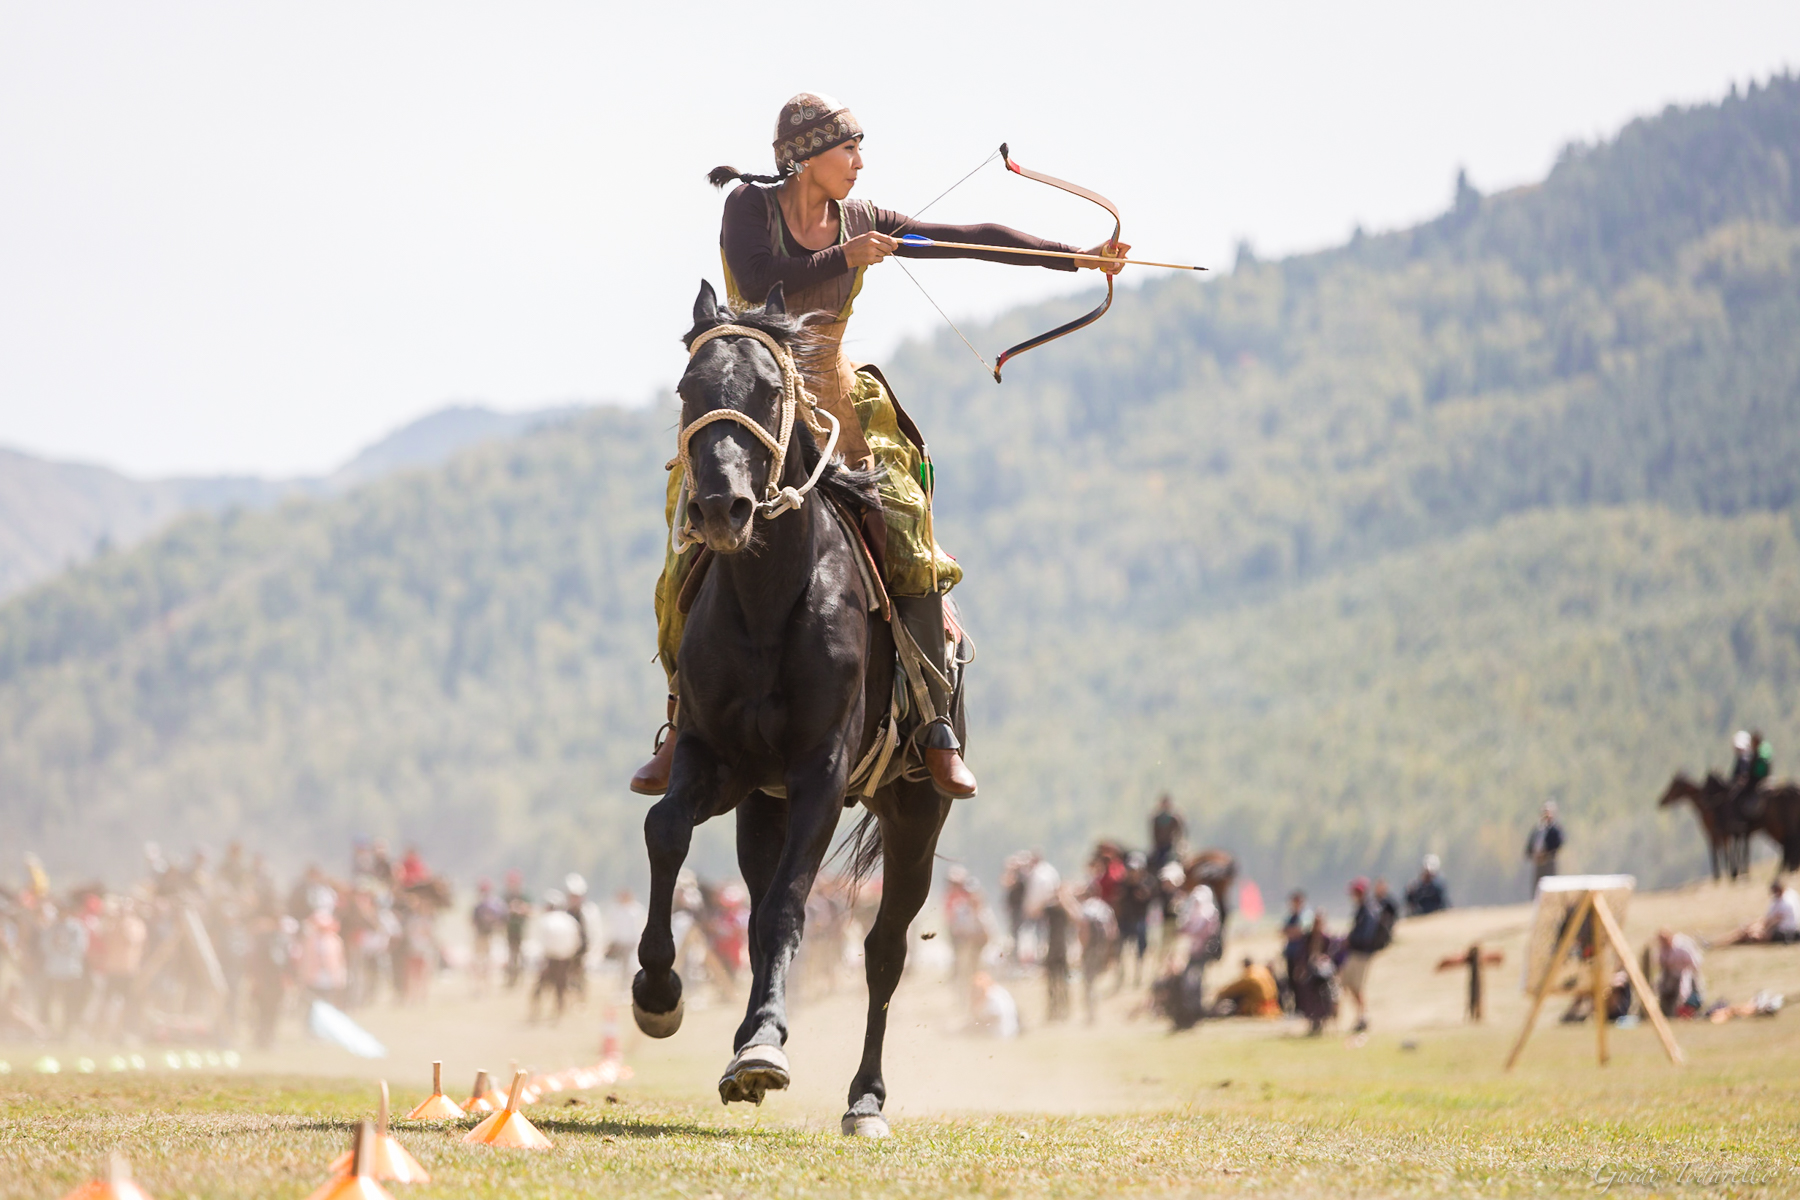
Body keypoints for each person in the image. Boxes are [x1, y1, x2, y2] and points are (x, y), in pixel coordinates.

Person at [630, 91, 1125, 800]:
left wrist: (1079, 258)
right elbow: (763, 278)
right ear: (804, 159)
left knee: (906, 524)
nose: (860, 163)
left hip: (833, 400)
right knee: (690, 538)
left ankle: (933, 725)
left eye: (859, 150)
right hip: (752, 407)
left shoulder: (863, 221)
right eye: (848, 149)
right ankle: (682, 725)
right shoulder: (748, 207)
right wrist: (843, 253)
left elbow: (968, 236)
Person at [1342, 877, 1395, 1034]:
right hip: (1356, 953)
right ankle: (1361, 1016)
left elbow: (1365, 935)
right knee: (1350, 984)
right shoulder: (1363, 908)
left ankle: (1363, 1017)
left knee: (1356, 986)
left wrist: (1351, 939)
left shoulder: (1368, 909)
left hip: (1362, 954)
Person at [530, 891, 582, 1024]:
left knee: (540, 985)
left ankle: (536, 1010)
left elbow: (540, 942)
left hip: (549, 958)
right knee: (560, 986)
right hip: (564, 959)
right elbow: (577, 941)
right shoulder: (569, 920)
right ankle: (559, 1011)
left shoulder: (546, 919)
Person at [1716, 880, 1800, 945]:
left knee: (1748, 934)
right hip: (1777, 928)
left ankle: (1721, 943)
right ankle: (1720, 941)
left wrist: (1759, 929)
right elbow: (1769, 918)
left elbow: (1773, 921)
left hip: (1783, 932)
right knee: (1746, 929)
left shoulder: (1786, 903)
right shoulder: (1788, 895)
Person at [1654, 928, 1704, 1017]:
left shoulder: (1682, 946)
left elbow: (1694, 961)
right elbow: (1661, 963)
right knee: (1665, 991)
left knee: (1689, 993)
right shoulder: (1663, 949)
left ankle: (1691, 1011)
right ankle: (1668, 1012)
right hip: (1671, 973)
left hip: (1686, 971)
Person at [1210, 956, 1282, 1018]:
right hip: (1275, 1007)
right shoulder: (1262, 970)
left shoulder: (1251, 976)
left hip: (1261, 1010)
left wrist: (1219, 992)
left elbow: (1233, 988)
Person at [469, 879, 505, 995]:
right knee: (481, 963)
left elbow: (501, 921)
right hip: (481, 936)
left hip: (487, 937)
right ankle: (480, 987)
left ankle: (484, 987)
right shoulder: (483, 905)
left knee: (485, 964)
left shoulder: (489, 905)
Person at [1524, 802, 1564, 893]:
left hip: (1549, 860)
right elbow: (1530, 845)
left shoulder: (1554, 829)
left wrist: (1546, 853)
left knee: (1550, 884)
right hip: (1538, 861)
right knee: (1538, 886)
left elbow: (1558, 843)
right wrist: (1533, 855)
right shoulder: (1538, 829)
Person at [968, 971, 1020, 1039]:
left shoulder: (992, 997)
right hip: (1009, 1034)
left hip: (999, 1036)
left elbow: (993, 1017)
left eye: (976, 987)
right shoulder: (1000, 991)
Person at [1148, 794, 1187, 873]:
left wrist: (1178, 845)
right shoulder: (1157, 818)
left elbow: (1179, 832)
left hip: (1171, 847)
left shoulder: (1174, 818)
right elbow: (1154, 833)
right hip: (1159, 847)